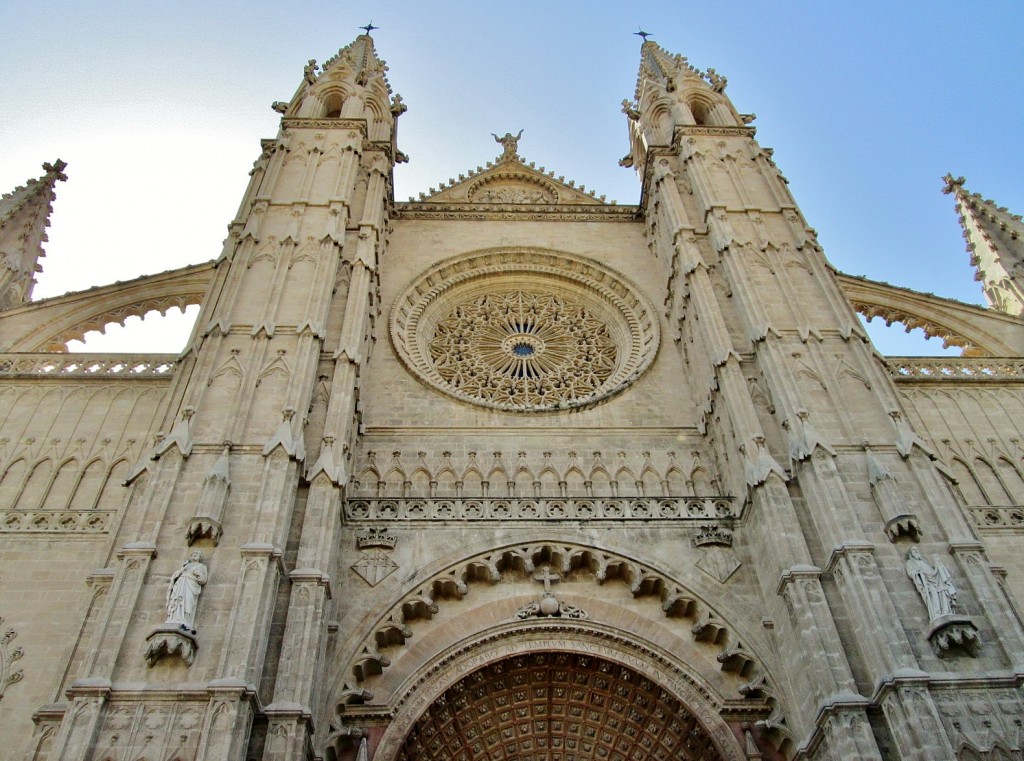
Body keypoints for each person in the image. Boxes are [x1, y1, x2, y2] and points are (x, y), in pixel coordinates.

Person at [905, 548, 956, 621]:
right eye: (913, 550)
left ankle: (945, 610)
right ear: (910, 554)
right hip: (926, 582)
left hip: (935, 579)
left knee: (942, 593)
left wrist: (937, 566)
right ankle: (936, 613)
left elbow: (930, 569)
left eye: (917, 549)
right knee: (933, 595)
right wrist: (919, 573)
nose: (916, 551)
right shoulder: (910, 562)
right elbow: (911, 572)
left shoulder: (923, 561)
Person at [166, 551, 209, 634]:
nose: (195, 555)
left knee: (188, 602)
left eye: (197, 554)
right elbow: (176, 575)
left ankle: (185, 620)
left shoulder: (202, 566)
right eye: (193, 554)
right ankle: (175, 618)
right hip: (181, 583)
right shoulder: (186, 565)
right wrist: (182, 570)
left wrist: (198, 574)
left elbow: (203, 579)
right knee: (177, 601)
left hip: (191, 585)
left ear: (200, 557)